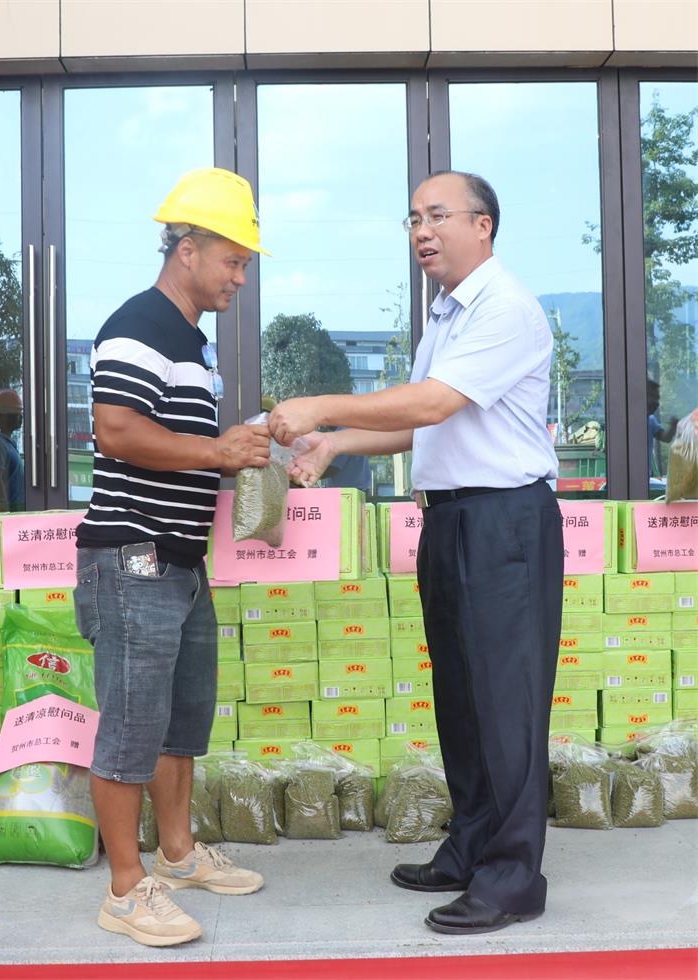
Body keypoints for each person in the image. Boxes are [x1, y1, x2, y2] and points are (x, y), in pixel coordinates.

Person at [268, 171, 564, 936]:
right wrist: (335, 443)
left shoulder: (505, 307)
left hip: (504, 521)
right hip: (451, 519)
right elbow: (424, 421)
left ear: (483, 225)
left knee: (506, 702)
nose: (422, 231)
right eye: (412, 219)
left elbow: (433, 401)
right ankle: (471, 845)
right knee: (462, 696)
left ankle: (513, 878)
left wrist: (320, 405)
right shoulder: (447, 314)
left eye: (437, 215)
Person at [73, 168, 272, 948]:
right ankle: (126, 889)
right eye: (232, 259)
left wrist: (237, 453)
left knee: (179, 720)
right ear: (187, 249)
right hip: (133, 558)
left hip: (180, 563)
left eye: (244, 263)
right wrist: (219, 452)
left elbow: (180, 447)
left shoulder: (191, 341)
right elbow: (117, 430)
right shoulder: (140, 324)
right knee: (131, 725)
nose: (239, 277)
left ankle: (178, 854)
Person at [647, 377, 678, 478]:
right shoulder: (628, 420)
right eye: (652, 397)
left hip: (645, 474)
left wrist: (673, 427)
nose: (656, 402)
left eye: (657, 398)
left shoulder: (651, 421)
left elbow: (665, 438)